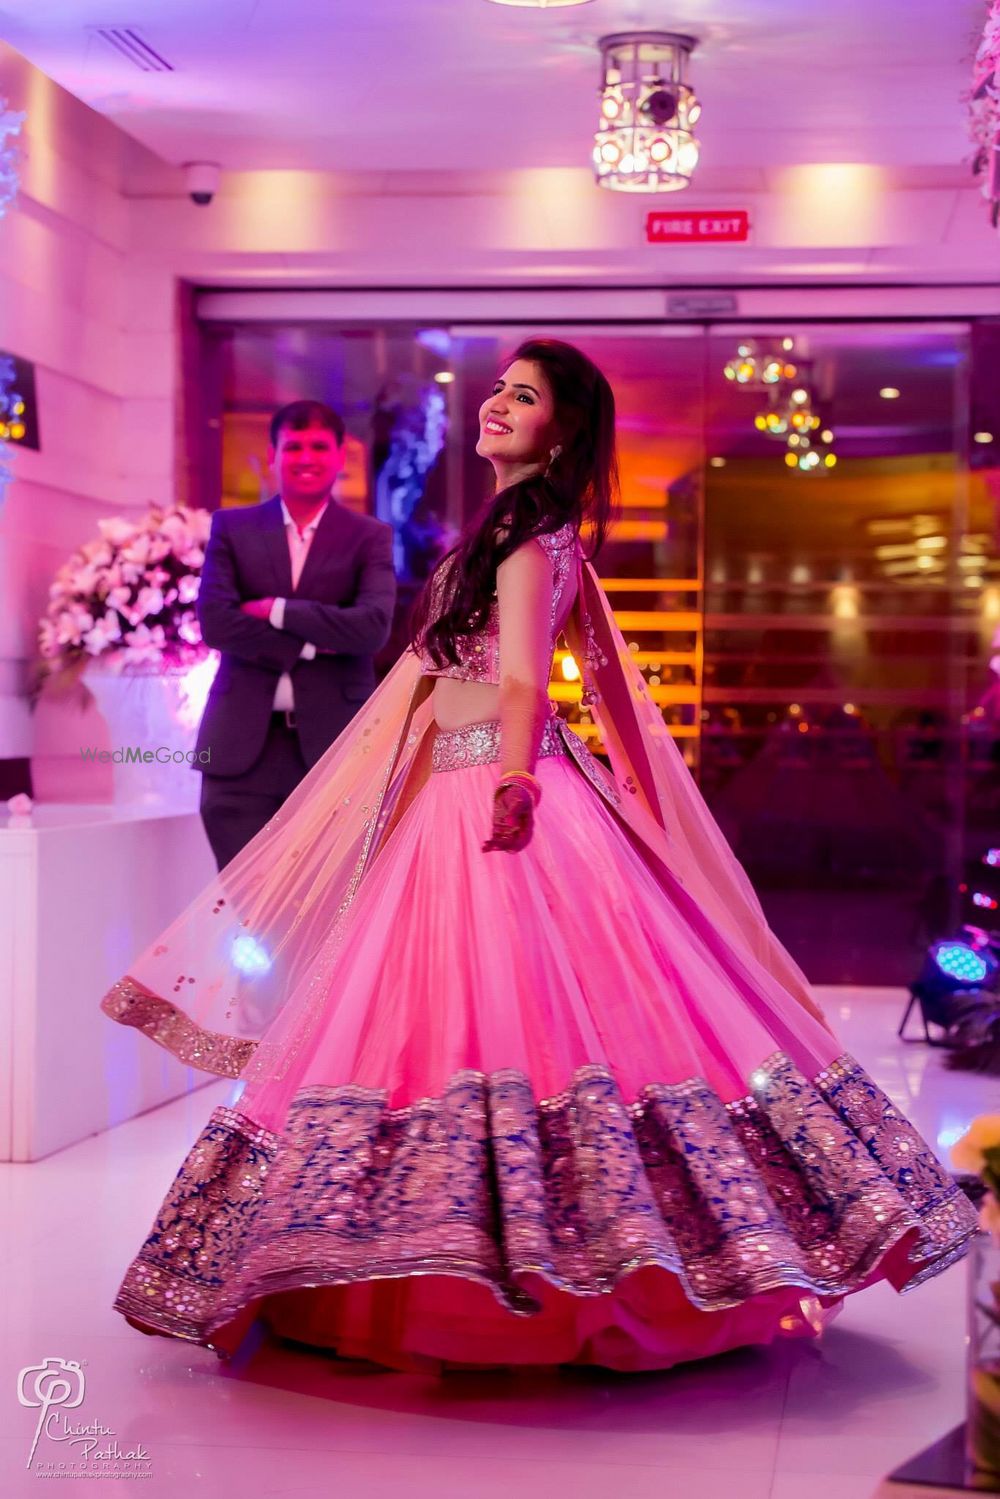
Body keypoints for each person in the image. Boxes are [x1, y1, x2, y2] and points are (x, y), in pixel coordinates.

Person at [101, 340, 977, 1375]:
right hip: (465, 784)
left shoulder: (531, 537)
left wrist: (513, 782)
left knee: (502, 1015)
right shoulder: (511, 528)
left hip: (495, 792)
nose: (497, 406)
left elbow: (523, 680)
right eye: (498, 390)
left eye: (524, 396)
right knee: (451, 1018)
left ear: (559, 429)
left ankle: (538, 1267)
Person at [195, 399, 397, 869]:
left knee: (325, 899)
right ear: (273, 455)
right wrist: (315, 641)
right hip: (242, 745)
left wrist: (277, 611)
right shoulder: (233, 528)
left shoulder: (369, 536)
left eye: (319, 447)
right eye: (294, 446)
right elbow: (216, 622)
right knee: (246, 900)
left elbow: (371, 629)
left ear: (340, 455)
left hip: (335, 745)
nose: (306, 457)